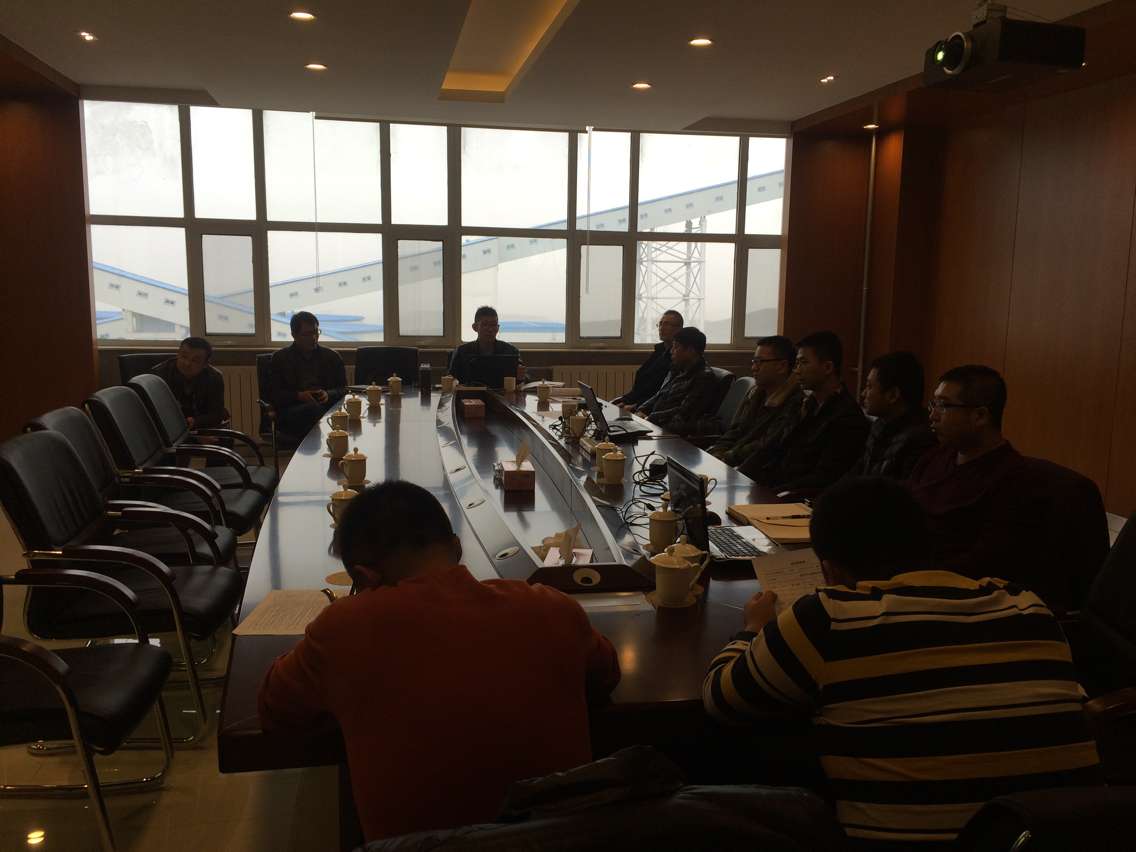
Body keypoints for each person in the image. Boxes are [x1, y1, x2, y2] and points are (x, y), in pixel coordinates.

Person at [704, 477, 1101, 849]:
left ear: (829, 569)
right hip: (1063, 837)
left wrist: (752, 630)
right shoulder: (1028, 607)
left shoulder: (827, 618)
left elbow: (721, 699)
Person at [258, 480, 621, 842]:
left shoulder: (343, 629)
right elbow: (605, 674)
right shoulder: (551, 607)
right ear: (457, 548)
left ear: (366, 577)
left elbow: (275, 708)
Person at [908, 364, 1047, 591]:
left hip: (945, 590)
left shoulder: (1014, 479)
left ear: (980, 416)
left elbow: (984, 562)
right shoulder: (935, 457)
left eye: (943, 406)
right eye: (933, 404)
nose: (932, 415)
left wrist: (910, 573)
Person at [739, 331, 867, 493]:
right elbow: (771, 447)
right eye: (797, 363)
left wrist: (772, 493)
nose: (797, 371)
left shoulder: (847, 417)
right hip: (772, 486)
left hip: (793, 497)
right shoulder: (804, 404)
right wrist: (739, 476)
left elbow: (823, 478)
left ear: (827, 367)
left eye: (803, 363)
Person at [708, 335, 802, 466]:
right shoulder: (756, 393)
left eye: (759, 362)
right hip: (733, 461)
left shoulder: (796, 402)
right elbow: (736, 431)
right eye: (754, 362)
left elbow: (765, 446)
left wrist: (726, 458)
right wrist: (716, 452)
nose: (753, 368)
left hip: (754, 469)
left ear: (782, 366)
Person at [846, 351, 935, 479]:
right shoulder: (879, 424)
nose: (863, 393)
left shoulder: (920, 440)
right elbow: (857, 472)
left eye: (869, 386)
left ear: (893, 395)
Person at [268, 311, 347, 440]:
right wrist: (299, 396)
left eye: (316, 332)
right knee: (313, 410)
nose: (314, 337)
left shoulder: (332, 357)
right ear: (294, 335)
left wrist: (328, 394)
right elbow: (273, 394)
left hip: (325, 408)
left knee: (323, 411)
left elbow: (343, 389)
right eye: (307, 334)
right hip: (292, 411)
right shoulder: (280, 359)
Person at [635, 327, 720, 434]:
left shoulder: (704, 377)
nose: (671, 351)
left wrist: (650, 418)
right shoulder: (678, 369)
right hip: (656, 423)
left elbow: (685, 411)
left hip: (671, 430)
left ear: (690, 350)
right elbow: (659, 395)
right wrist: (642, 410)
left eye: (676, 347)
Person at [149, 336, 226, 428]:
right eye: (184, 356)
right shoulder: (159, 376)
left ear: (205, 364)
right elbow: (154, 412)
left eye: (195, 360)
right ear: (177, 355)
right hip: (168, 428)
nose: (187, 363)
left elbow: (217, 414)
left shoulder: (214, 377)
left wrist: (196, 422)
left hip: (201, 427)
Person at [612, 310, 682, 409]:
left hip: (651, 408)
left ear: (678, 329)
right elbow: (642, 384)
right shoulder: (659, 351)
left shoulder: (678, 358)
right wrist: (624, 400)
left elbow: (661, 392)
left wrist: (636, 406)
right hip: (637, 402)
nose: (661, 328)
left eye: (666, 324)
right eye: (660, 324)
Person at [446, 305, 528, 385]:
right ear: (475, 327)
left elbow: (524, 380)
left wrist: (521, 377)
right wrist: (454, 382)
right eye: (485, 325)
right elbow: (451, 379)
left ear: (498, 328)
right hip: (470, 393)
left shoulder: (511, 351)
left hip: (503, 393)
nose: (490, 329)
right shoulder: (462, 352)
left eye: (493, 325)